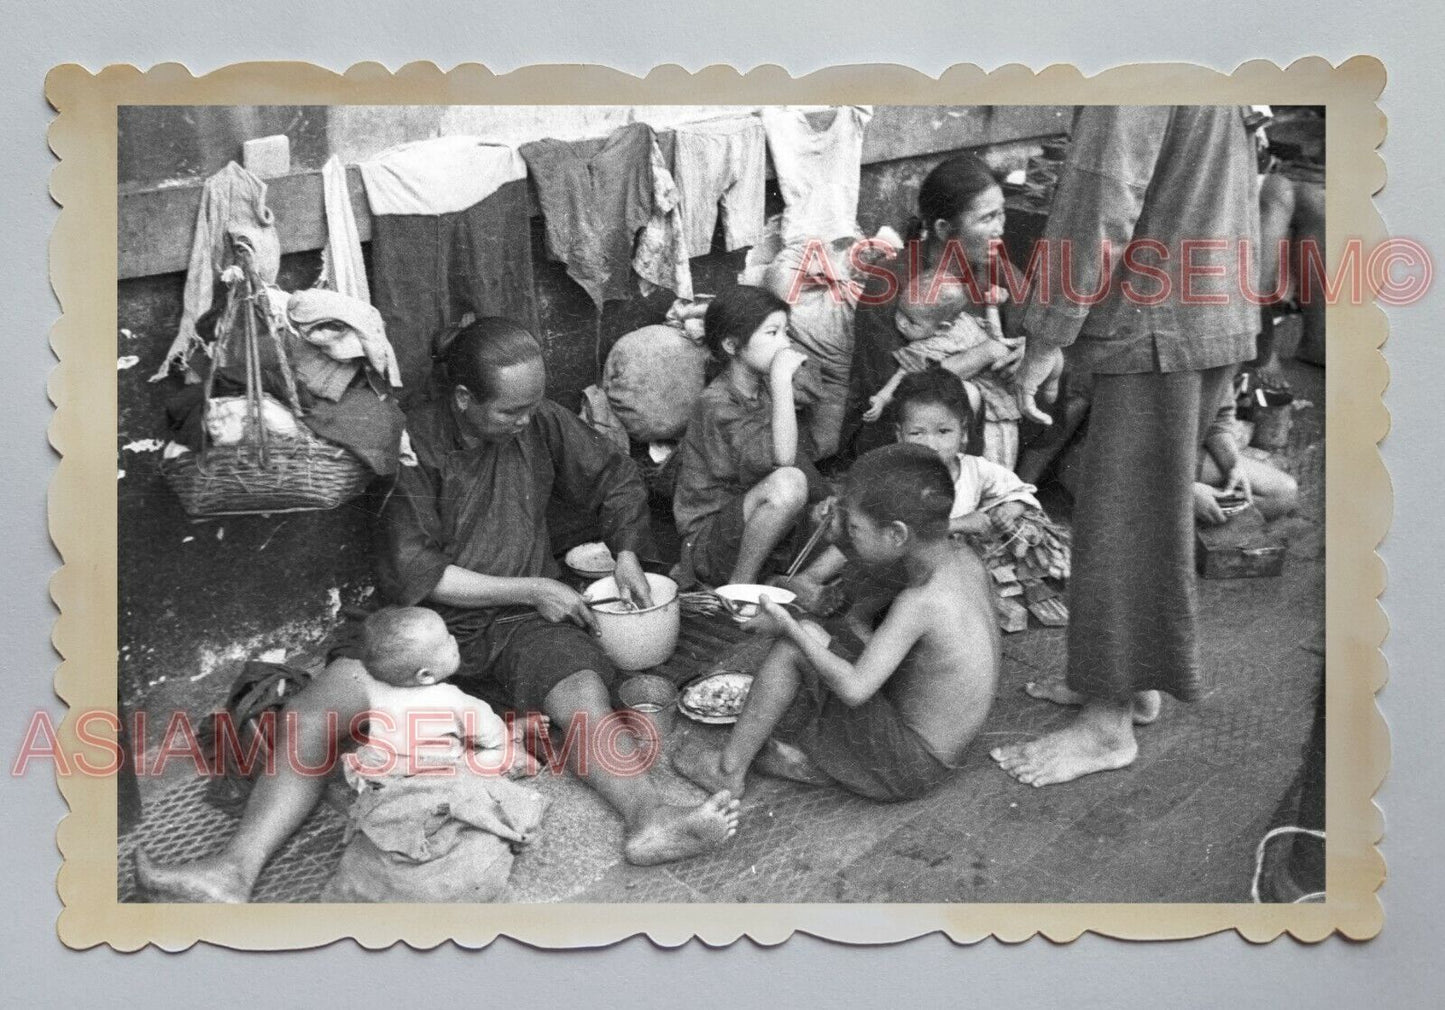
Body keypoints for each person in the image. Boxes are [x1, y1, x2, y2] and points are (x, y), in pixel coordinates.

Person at [137, 319, 740, 902]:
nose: (527, 421)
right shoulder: (411, 444)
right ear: (463, 400)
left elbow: (615, 480)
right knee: (314, 713)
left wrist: (627, 553)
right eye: (510, 412)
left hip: (519, 627)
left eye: (533, 407)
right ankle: (233, 872)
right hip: (423, 626)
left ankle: (650, 817)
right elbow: (415, 572)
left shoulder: (540, 422)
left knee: (581, 691)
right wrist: (531, 587)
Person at [997, 105, 1262, 786]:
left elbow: (1101, 189)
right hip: (1200, 295)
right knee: (1134, 508)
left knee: (1124, 517)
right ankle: (1128, 683)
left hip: (1161, 314)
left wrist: (1048, 332)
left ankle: (1106, 725)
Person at [673, 443, 999, 802]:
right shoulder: (961, 558)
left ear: (897, 534)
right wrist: (840, 529)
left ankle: (728, 771)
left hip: (911, 768)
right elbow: (878, 558)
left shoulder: (919, 603)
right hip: (943, 750)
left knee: (795, 645)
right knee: (830, 632)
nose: (851, 534)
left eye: (856, 527)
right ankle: (820, 762)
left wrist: (787, 625)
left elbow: (856, 690)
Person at [842, 153, 1025, 466]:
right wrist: (979, 356)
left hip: (983, 420)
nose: (1000, 229)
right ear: (943, 228)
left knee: (1063, 373)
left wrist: (1025, 351)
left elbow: (1029, 336)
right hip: (901, 429)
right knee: (962, 397)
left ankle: (1013, 484)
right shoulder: (888, 282)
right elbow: (895, 395)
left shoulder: (1001, 273)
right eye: (987, 218)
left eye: (1001, 214)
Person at [672, 284, 831, 587]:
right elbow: (783, 460)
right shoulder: (716, 403)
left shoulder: (763, 387)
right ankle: (739, 587)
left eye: (786, 332)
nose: (785, 344)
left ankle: (784, 581)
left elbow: (795, 452)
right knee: (789, 484)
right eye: (772, 333)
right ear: (732, 346)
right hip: (712, 541)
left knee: (855, 519)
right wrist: (783, 380)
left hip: (761, 527)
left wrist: (826, 500)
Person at [1193, 377, 1299, 524]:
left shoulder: (1223, 359)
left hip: (1185, 450)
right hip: (1153, 464)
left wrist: (1233, 464)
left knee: (1283, 494)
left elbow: (1218, 419)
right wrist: (1185, 494)